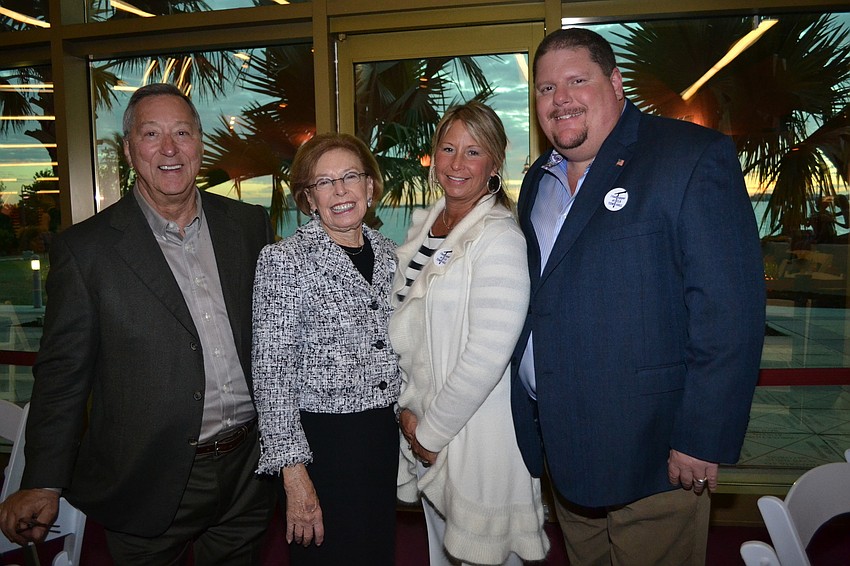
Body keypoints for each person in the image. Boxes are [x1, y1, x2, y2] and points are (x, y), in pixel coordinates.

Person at [511, 28, 766, 565]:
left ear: (616, 82)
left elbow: (729, 314)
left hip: (655, 454)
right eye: (545, 88)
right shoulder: (537, 179)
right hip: (564, 446)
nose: (560, 100)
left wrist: (703, 436)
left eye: (576, 81)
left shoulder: (690, 157)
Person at [0, 83, 276, 564]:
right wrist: (42, 480)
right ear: (129, 149)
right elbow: (62, 376)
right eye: (152, 134)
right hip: (148, 474)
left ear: (200, 144)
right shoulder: (86, 252)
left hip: (248, 470)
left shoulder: (249, 225)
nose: (169, 149)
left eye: (182, 133)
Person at [390, 101, 550, 566]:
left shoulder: (499, 237)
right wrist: (409, 414)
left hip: (474, 436)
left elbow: (488, 353)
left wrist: (430, 434)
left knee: (486, 557)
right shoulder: (430, 224)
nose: (457, 164)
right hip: (426, 428)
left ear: (495, 162)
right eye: (448, 148)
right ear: (434, 156)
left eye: (473, 151)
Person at [252, 133, 400, 565]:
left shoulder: (392, 255)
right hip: (322, 448)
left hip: (380, 440)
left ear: (370, 188)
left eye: (350, 176)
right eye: (324, 182)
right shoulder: (284, 260)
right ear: (308, 198)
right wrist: (293, 474)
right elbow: (271, 375)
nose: (340, 191)